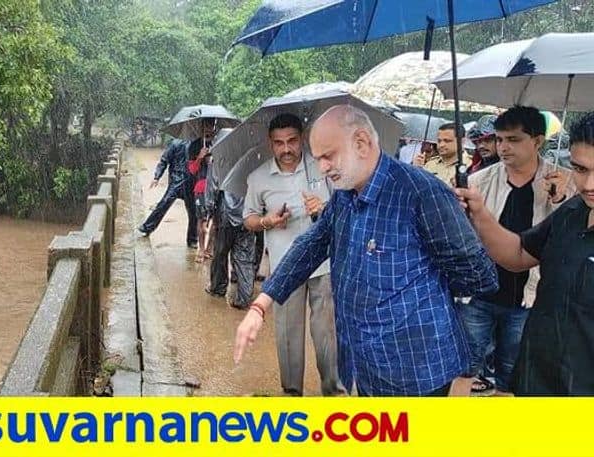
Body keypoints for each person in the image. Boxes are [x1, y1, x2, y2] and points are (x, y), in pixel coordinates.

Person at [234, 105, 498, 396]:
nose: (321, 167)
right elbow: (309, 246)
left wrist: (419, 296)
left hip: (416, 371)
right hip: (362, 367)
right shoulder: (344, 198)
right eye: (318, 158)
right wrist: (261, 304)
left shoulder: (421, 193)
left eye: (327, 156)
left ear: (361, 143)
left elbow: (478, 277)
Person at [455, 111, 594, 396]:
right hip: (537, 378)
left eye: (514, 139)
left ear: (537, 141)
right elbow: (518, 253)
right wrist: (479, 213)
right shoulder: (572, 213)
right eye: (580, 169)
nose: (590, 185)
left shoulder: (561, 192)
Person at [242, 113, 339, 396]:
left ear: (303, 138)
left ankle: (333, 393)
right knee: (287, 334)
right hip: (285, 268)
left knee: (328, 335)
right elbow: (248, 218)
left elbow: (348, 206)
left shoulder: (324, 167)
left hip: (325, 265)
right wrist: (267, 222)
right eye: (279, 143)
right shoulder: (258, 177)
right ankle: (292, 393)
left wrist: (323, 208)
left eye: (292, 141)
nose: (286, 149)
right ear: (270, 144)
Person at [138, 132, 206, 248]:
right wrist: (157, 176)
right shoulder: (175, 143)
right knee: (163, 204)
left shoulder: (198, 143)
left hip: (191, 182)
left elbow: (200, 165)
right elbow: (164, 160)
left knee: (193, 211)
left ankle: (192, 240)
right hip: (176, 180)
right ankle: (147, 227)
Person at [204, 159, 255, 309]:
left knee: (220, 254)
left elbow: (212, 187)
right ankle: (244, 298)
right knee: (245, 258)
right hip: (248, 213)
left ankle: (218, 288)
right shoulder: (253, 159)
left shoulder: (219, 158)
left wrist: (209, 210)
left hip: (225, 214)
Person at [188, 136, 213, 262]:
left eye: (212, 124)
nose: (210, 127)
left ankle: (209, 248)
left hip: (216, 187)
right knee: (201, 220)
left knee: (216, 221)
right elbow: (192, 170)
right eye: (207, 124)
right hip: (201, 187)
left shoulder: (219, 141)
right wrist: (200, 157)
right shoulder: (195, 145)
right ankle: (201, 249)